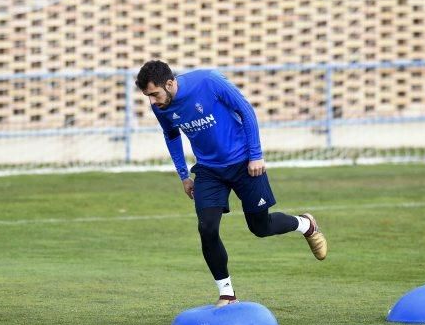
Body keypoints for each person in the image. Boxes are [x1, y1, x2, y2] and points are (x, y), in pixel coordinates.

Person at [136, 60, 327, 307]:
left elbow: (245, 110)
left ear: (170, 83)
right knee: (207, 228)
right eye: (147, 96)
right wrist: (184, 175)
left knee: (260, 227)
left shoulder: (208, 81)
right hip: (208, 171)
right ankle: (227, 293)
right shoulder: (161, 106)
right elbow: (171, 135)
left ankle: (305, 224)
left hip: (244, 162)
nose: (152, 101)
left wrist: (256, 155)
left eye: (154, 94)